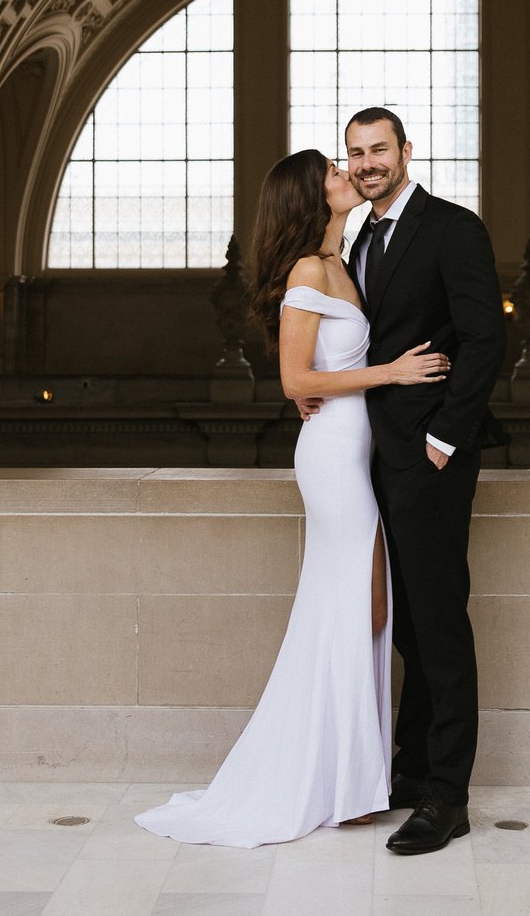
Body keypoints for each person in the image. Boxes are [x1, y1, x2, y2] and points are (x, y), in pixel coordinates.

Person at [133, 149, 450, 848]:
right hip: (333, 455)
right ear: (312, 195)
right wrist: (391, 373)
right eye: (333, 170)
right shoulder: (308, 271)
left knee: (367, 607)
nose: (347, 172)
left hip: (358, 450)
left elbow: (324, 368)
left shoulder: (345, 260)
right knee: (358, 604)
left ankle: (348, 776)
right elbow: (294, 379)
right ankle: (341, 784)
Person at [332, 108, 507, 856]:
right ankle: (410, 769)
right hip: (374, 454)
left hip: (431, 455)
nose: (368, 162)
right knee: (403, 622)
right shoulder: (358, 238)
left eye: (379, 149)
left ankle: (447, 796)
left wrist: (444, 438)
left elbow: (486, 338)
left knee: (438, 624)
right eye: (355, 152)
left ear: (406, 150)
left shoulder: (453, 228)